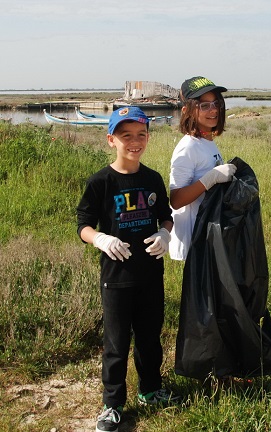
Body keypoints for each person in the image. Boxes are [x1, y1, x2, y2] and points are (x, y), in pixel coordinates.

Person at [77, 107, 179, 432]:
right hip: (116, 279)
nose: (134, 142)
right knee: (116, 344)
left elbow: (166, 214)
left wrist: (165, 232)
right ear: (111, 140)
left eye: (141, 135)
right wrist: (101, 239)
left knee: (150, 339)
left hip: (150, 275)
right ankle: (112, 405)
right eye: (126, 136)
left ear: (148, 137)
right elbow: (83, 225)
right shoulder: (100, 182)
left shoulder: (152, 179)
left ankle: (150, 390)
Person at [168, 76, 237, 260]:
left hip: (208, 236)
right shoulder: (188, 147)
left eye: (216, 103)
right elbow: (176, 200)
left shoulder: (207, 141)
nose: (213, 110)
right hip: (193, 241)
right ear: (187, 111)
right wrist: (211, 178)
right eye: (204, 105)